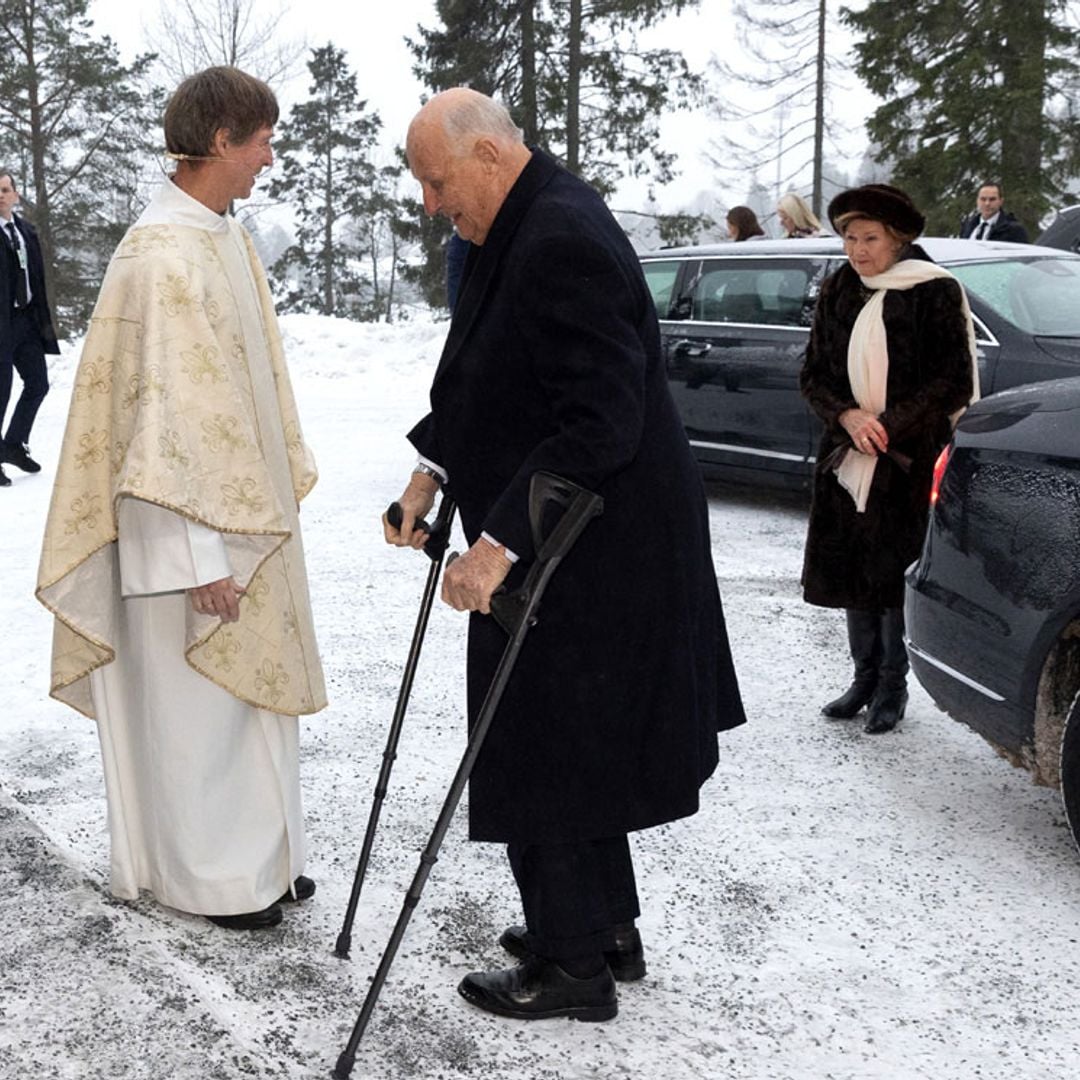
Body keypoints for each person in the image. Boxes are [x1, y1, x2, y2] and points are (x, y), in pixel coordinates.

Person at [388, 88, 746, 1022]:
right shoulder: (520, 222)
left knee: (539, 742)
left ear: (489, 157)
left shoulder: (558, 242)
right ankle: (602, 926)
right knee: (578, 745)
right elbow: (491, 374)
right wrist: (430, 473)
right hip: (580, 533)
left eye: (436, 182)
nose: (432, 205)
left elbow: (599, 422)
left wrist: (496, 546)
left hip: (589, 545)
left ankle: (571, 965)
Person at [36, 67, 326, 930]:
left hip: (240, 522)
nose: (270, 158)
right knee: (197, 712)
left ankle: (264, 863)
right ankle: (208, 878)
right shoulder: (160, 257)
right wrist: (196, 558)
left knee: (245, 707)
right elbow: (157, 433)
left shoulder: (220, 238)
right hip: (187, 544)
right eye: (263, 140)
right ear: (221, 141)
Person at [800, 184, 978, 734]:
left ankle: (892, 688)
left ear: (898, 239)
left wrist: (889, 424)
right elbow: (813, 374)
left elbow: (951, 380)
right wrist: (848, 417)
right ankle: (862, 677)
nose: (858, 250)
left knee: (891, 572)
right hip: (848, 453)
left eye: (870, 238)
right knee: (854, 570)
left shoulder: (932, 291)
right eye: (850, 238)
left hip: (905, 456)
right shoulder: (839, 289)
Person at [0, 169, 59, 488]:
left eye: (6, 189)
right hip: (1, 323)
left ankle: (12, 445)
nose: (1, 195)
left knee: (38, 384)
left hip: (26, 321)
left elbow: (35, 275)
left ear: (15, 194)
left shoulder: (26, 231)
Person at [958, 182, 1029, 243]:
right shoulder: (967, 227)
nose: (987, 203)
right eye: (983, 199)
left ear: (1001, 201)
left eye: (992, 199)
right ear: (977, 201)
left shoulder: (1014, 231)